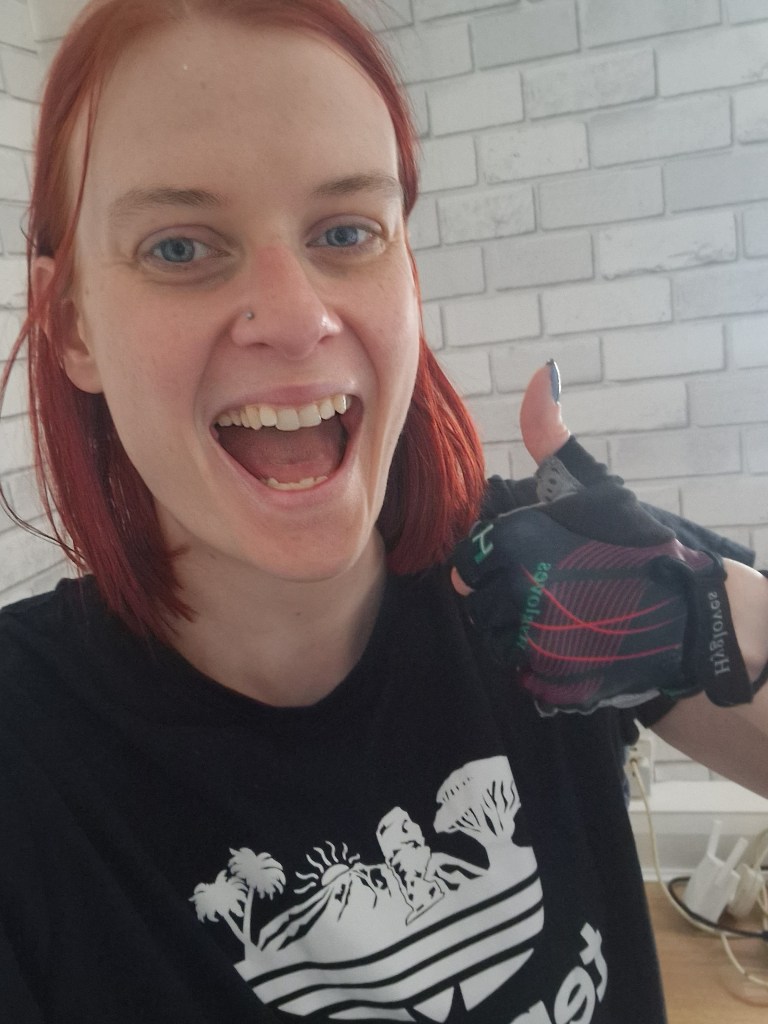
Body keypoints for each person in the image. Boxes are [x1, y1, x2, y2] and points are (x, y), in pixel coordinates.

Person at [0, 2, 766, 1022]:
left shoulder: (545, 577)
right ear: (72, 324)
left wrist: (724, 625)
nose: (296, 317)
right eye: (180, 248)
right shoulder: (23, 748)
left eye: (346, 231)